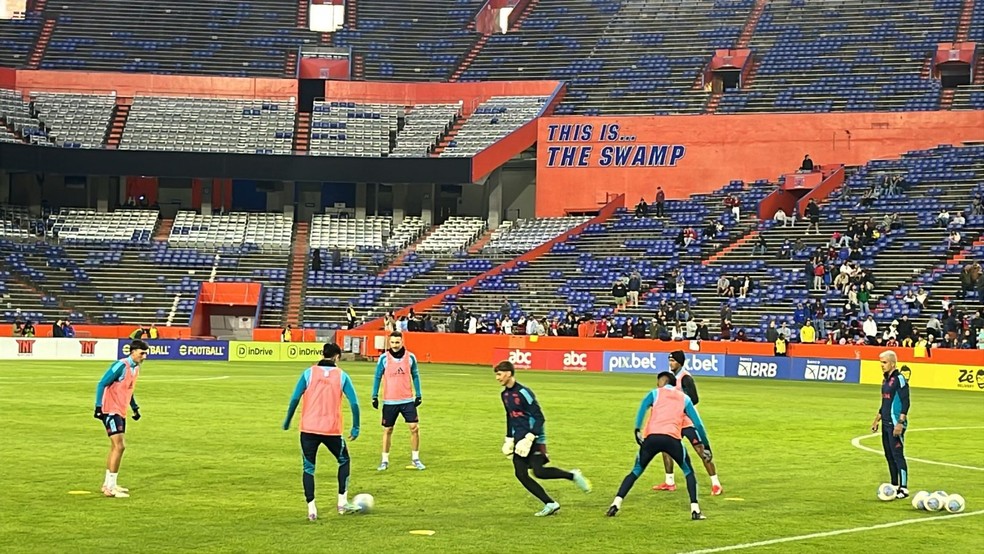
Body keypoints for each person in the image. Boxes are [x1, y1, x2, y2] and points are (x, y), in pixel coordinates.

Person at [607, 370, 712, 520]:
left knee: (635, 471)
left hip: (652, 438)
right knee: (688, 472)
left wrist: (637, 429)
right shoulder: (685, 399)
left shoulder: (654, 393)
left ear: (662, 381)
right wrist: (706, 446)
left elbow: (643, 407)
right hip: (672, 439)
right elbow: (699, 425)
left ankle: (616, 503)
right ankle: (695, 510)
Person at [494, 360, 591, 516]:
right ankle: (550, 503)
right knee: (521, 474)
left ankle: (573, 476)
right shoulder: (504, 395)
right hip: (519, 439)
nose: (497, 378)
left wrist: (530, 438)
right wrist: (509, 439)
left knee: (539, 472)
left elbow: (539, 417)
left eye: (499, 374)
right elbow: (510, 416)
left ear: (508, 373)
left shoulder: (524, 392)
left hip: (534, 438)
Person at [282, 342, 362, 520]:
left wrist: (287, 421)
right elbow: (354, 403)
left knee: (309, 467)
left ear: (322, 354)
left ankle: (312, 510)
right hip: (331, 430)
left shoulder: (308, 373)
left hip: (308, 429)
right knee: (344, 460)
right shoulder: (342, 375)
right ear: (337, 357)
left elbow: (295, 398)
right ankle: (342, 502)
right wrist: (356, 427)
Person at [652, 350, 723, 496]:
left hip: (687, 421)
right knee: (666, 449)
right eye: (669, 360)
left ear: (680, 362)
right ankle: (669, 482)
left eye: (673, 361)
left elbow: (694, 399)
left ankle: (716, 484)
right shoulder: (671, 378)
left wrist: (678, 403)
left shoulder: (685, 378)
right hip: (674, 421)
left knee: (701, 450)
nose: (670, 363)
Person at [93, 340, 149, 498]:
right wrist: (98, 407)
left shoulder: (135, 368)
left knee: (115, 447)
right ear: (133, 351)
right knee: (120, 446)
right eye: (142, 353)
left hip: (121, 410)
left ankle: (108, 484)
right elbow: (102, 383)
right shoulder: (121, 365)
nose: (144, 357)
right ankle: (110, 488)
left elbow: (129, 390)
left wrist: (135, 407)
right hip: (111, 410)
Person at [371, 332, 424, 470]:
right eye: (392, 342)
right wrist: (374, 396)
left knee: (414, 428)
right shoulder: (384, 358)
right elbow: (377, 376)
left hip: (407, 400)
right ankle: (384, 460)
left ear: (402, 342)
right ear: (389, 343)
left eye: (397, 342)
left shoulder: (410, 357)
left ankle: (416, 459)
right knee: (388, 429)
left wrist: (418, 394)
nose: (394, 345)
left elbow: (415, 375)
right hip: (390, 401)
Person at [871, 350, 910, 500]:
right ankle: (894, 485)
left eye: (884, 362)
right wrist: (877, 419)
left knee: (897, 455)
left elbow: (906, 402)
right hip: (886, 423)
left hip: (895, 423)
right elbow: (885, 402)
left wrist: (900, 422)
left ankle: (904, 487)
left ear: (893, 363)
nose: (882, 365)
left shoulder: (900, 379)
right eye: (881, 362)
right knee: (889, 455)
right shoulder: (885, 380)